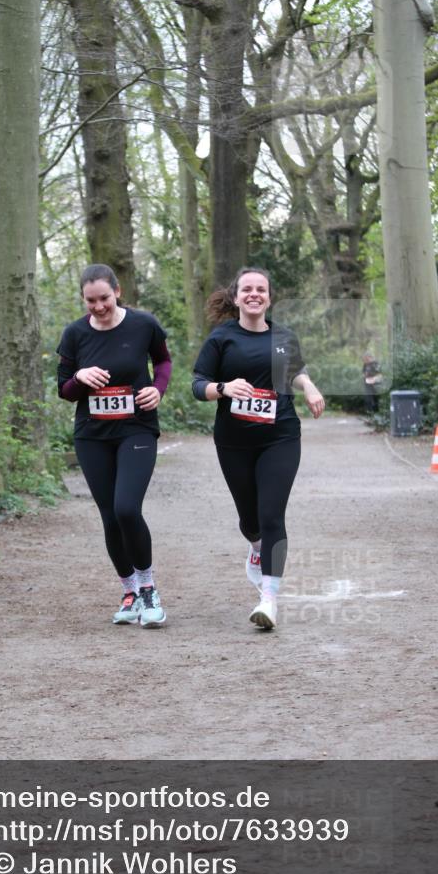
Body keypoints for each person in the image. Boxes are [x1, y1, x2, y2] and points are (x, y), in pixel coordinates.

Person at [192, 267, 325, 631]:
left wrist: (309, 387)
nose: (254, 294)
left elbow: (295, 371)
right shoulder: (221, 339)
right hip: (234, 441)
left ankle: (269, 599)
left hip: (279, 436)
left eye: (261, 289)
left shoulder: (283, 336)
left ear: (269, 296)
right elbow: (197, 384)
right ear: (236, 298)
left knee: (271, 516)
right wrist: (223, 388)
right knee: (250, 521)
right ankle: (255, 547)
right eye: (247, 289)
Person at [57, 264, 172, 628]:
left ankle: (149, 588)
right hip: (92, 435)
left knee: (126, 509)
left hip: (135, 429)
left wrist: (158, 388)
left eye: (104, 298)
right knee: (109, 516)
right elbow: (63, 389)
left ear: (117, 292)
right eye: (90, 300)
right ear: (83, 300)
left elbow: (163, 360)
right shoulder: (75, 334)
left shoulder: (143, 325)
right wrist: (79, 378)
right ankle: (129, 591)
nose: (99, 306)